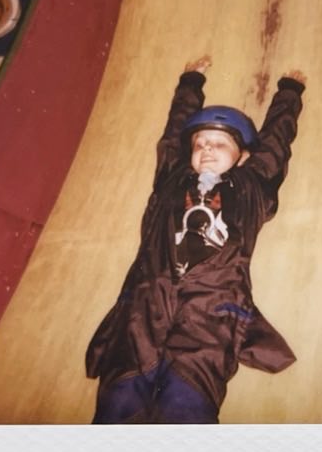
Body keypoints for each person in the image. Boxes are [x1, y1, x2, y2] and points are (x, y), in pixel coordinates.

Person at [85, 55, 306, 423]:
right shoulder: (172, 177)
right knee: (118, 404)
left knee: (186, 407)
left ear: (243, 157)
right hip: (145, 303)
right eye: (200, 143)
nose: (206, 149)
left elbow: (276, 146)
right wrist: (190, 83)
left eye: (219, 144)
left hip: (213, 308)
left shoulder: (252, 187)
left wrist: (289, 94)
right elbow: (173, 135)